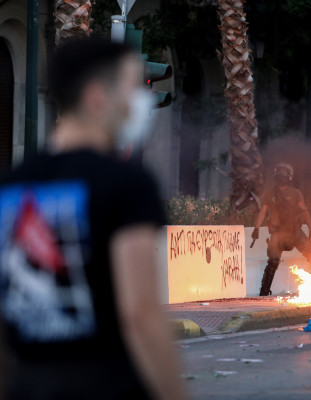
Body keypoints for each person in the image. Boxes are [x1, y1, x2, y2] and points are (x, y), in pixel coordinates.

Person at [0, 38, 186, 400]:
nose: (141, 102)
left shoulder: (10, 187)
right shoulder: (125, 182)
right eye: (133, 87)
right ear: (97, 95)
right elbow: (140, 313)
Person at [252, 163, 311, 296]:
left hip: (295, 231)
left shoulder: (295, 193)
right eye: (278, 174)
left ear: (289, 177)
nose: (280, 177)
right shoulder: (270, 193)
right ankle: (263, 292)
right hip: (278, 232)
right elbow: (262, 212)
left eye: (283, 175)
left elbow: (304, 211)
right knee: (273, 262)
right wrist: (256, 229)